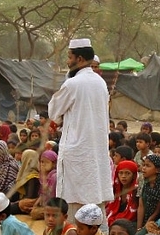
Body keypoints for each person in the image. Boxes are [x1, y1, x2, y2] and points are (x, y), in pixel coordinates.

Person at [48, 38, 113, 222]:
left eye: (70, 57)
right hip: (94, 153)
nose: (67, 61)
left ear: (80, 58)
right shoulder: (100, 82)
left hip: (76, 152)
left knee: (72, 204)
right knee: (94, 201)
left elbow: (53, 111)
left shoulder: (72, 84)